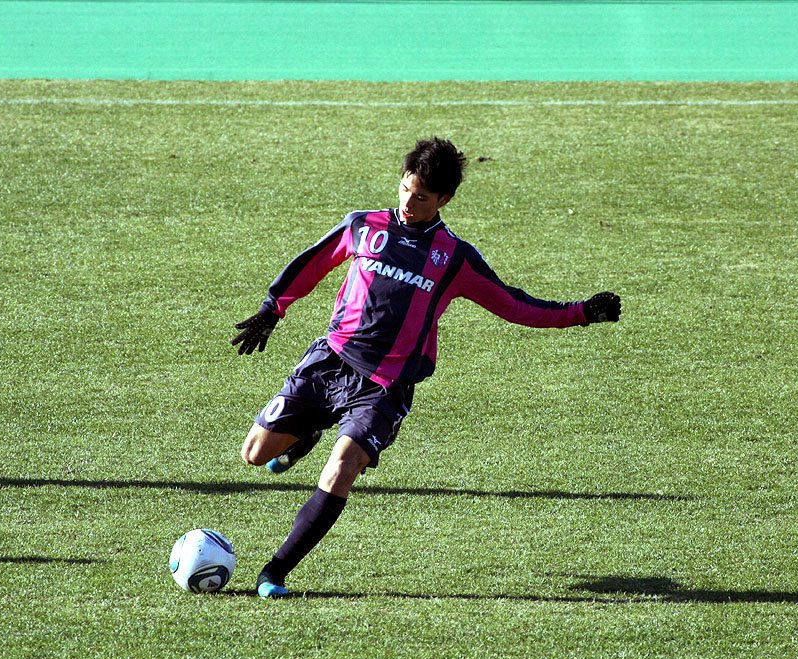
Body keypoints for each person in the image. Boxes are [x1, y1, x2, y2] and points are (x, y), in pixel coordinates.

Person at [231, 137, 621, 598]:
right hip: (329, 362)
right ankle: (309, 432)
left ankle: (274, 573)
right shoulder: (364, 226)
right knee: (254, 454)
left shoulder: (454, 257)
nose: (408, 203)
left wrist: (579, 313)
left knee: (341, 470)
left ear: (444, 200)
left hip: (384, 386)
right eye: (405, 189)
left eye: (421, 197)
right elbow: (312, 263)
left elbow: (514, 304)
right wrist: (272, 309)